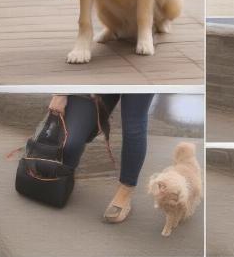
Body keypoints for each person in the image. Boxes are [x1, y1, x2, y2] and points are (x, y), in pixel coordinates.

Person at [49, 93, 155, 223]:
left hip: (139, 76)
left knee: (133, 125)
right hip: (99, 73)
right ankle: (66, 173)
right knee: (70, 141)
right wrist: (60, 92)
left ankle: (125, 190)